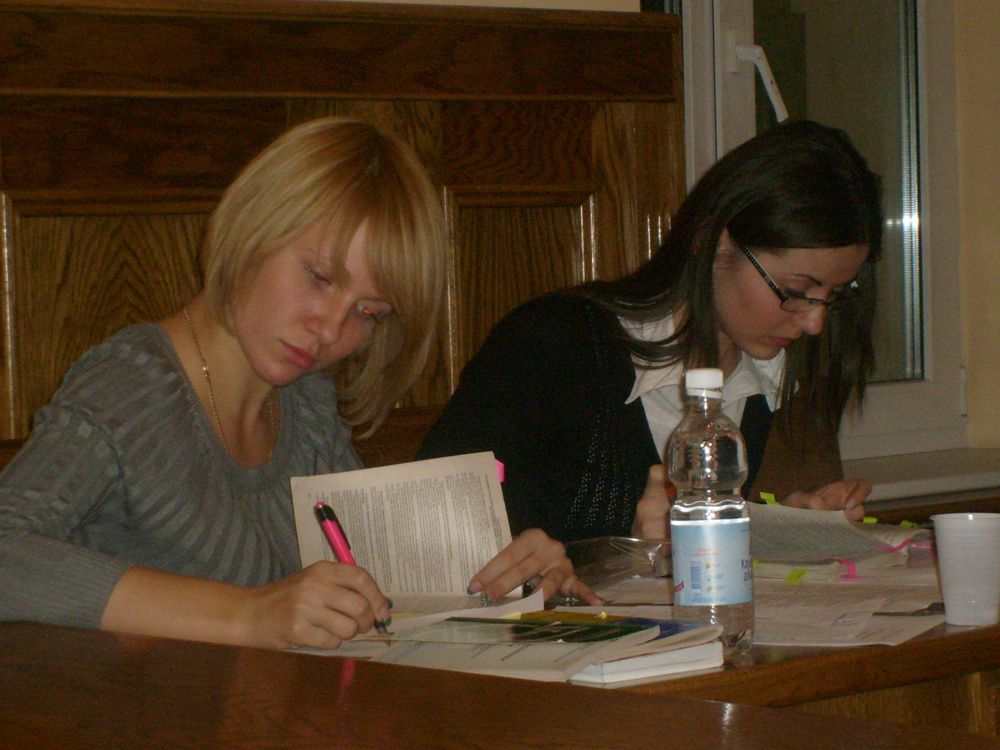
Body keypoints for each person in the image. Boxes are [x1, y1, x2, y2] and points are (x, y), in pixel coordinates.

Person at [0, 117, 596, 650]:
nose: (330, 329)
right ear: (254, 226)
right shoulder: (129, 386)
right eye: (318, 276)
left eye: (368, 312)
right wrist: (247, 616)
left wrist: (504, 579)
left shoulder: (305, 403)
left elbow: (371, 585)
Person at [418, 119, 882, 543]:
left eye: (834, 294)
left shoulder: (775, 378)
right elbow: (426, 533)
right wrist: (628, 555)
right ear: (711, 241)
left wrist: (779, 530)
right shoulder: (553, 343)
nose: (814, 322)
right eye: (796, 290)